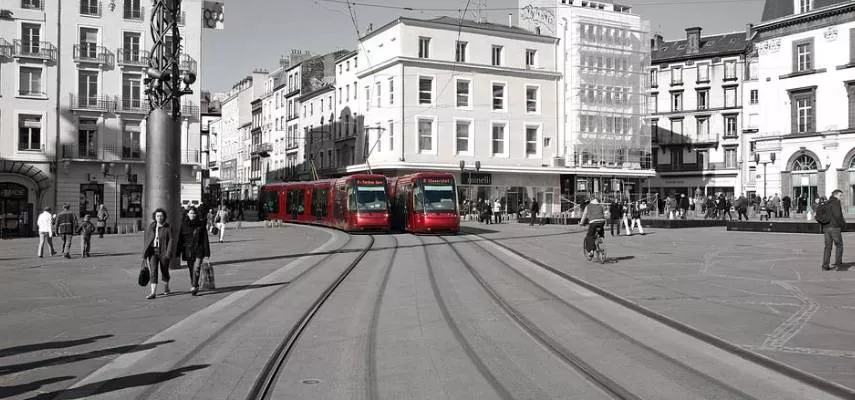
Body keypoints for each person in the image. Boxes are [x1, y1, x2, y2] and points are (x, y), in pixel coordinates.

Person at [177, 206, 211, 296]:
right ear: (187, 214)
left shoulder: (201, 224)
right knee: (191, 269)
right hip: (188, 250)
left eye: (194, 213)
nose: (193, 215)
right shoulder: (183, 225)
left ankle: (194, 285)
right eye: (191, 213)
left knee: (197, 267)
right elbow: (180, 239)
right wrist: (178, 252)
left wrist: (207, 253)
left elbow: (205, 239)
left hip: (199, 249)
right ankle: (194, 284)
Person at [142, 208, 174, 299]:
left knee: (164, 271)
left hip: (163, 252)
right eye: (157, 216)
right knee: (153, 271)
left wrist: (168, 253)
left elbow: (171, 240)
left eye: (161, 216)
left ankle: (166, 287)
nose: (159, 217)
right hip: (153, 252)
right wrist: (145, 253)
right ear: (155, 217)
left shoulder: (168, 227)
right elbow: (147, 240)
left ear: (164, 217)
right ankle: (153, 292)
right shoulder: (152, 226)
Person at [819, 190, 846, 271]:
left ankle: (825, 265)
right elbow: (838, 215)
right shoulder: (836, 202)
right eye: (840, 195)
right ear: (836, 195)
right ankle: (838, 265)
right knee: (839, 246)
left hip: (826, 228)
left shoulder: (826, 203)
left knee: (827, 247)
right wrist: (843, 225)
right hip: (835, 228)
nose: (841, 197)